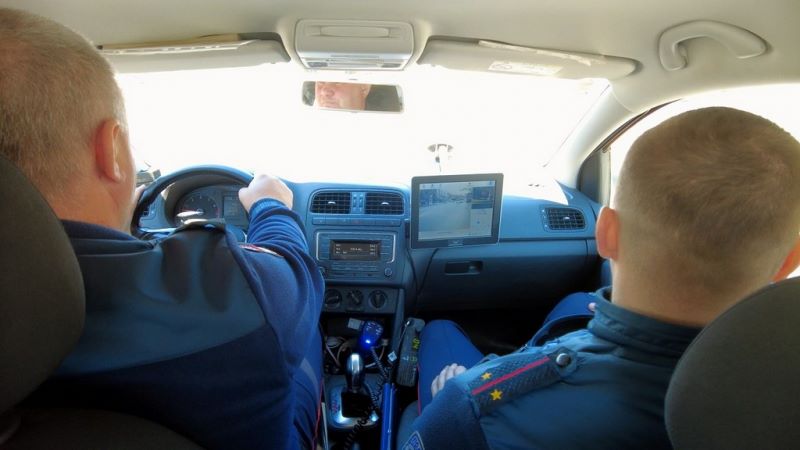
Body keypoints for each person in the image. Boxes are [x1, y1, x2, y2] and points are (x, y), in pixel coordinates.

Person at [0, 8, 324, 450]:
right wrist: (271, 205)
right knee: (305, 346)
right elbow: (295, 269)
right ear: (113, 151)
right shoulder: (233, 291)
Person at [404, 107, 800, 449]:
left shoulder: (475, 404)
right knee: (578, 303)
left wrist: (452, 397)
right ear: (790, 260)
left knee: (438, 330)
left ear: (606, 232)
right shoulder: (783, 397)